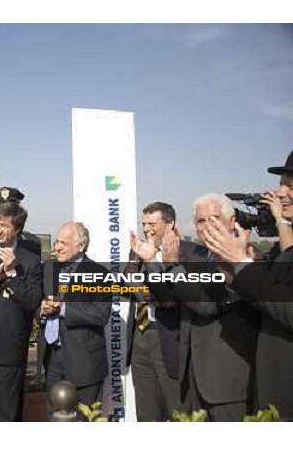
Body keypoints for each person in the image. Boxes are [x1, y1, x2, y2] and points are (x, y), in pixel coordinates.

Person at [137, 194, 259, 421]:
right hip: (193, 376)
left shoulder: (242, 254)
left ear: (231, 221)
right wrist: (152, 263)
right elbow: (172, 297)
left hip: (227, 384)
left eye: (214, 218)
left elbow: (206, 305)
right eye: (201, 221)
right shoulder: (204, 258)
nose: (207, 226)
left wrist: (172, 266)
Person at [200, 151, 293, 418]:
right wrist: (235, 268)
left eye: (291, 186)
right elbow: (270, 296)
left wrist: (242, 263)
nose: (280, 193)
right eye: (281, 184)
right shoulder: (280, 251)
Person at [125, 202, 193, 421]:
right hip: (140, 336)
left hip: (170, 338)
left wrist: (153, 271)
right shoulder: (137, 250)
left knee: (177, 411)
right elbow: (128, 283)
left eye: (152, 223)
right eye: (143, 224)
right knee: (147, 412)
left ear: (170, 224)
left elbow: (175, 298)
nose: (146, 229)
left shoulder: (186, 254)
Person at [0, 200, 42, 422]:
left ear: (18, 229)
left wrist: (13, 274)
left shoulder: (30, 262)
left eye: (4, 225)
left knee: (7, 409)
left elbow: (32, 301)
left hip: (9, 346)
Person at [40, 222, 111, 407]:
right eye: (56, 242)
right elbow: (38, 302)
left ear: (81, 246)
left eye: (63, 243)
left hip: (84, 363)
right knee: (55, 418)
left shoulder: (99, 273)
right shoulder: (48, 268)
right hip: (52, 359)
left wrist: (63, 309)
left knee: (82, 420)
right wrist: (42, 310)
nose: (57, 247)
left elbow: (101, 314)